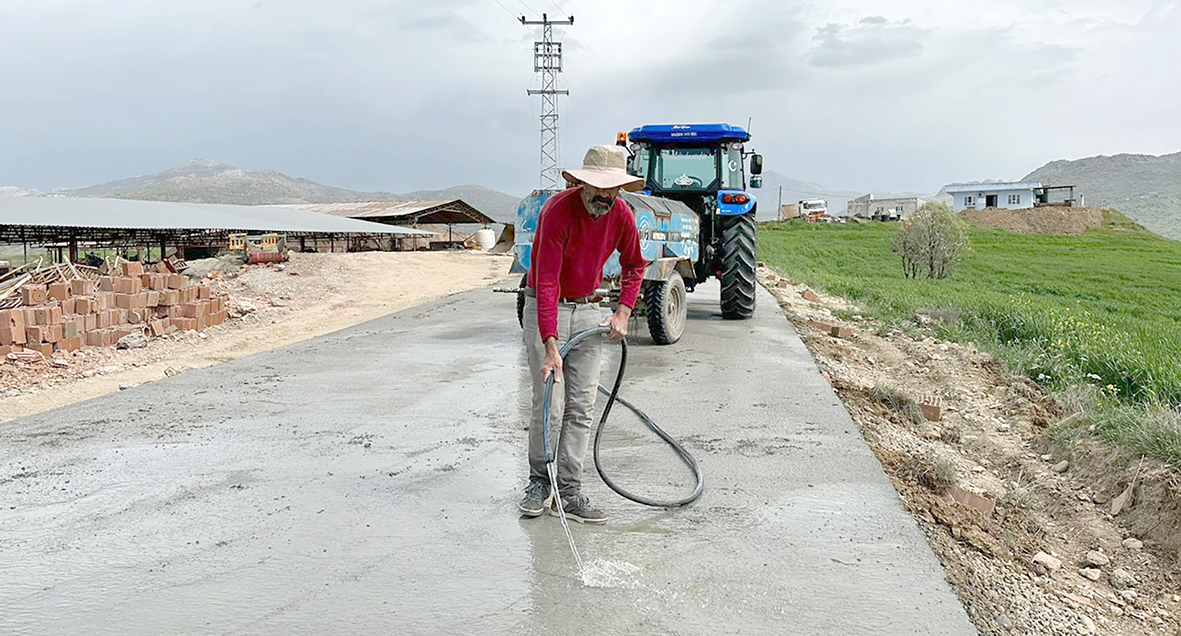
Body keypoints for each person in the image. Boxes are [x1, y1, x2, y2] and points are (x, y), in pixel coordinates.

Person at [518, 145, 646, 524]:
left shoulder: (621, 214)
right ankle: (539, 482)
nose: (605, 198)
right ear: (580, 183)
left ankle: (570, 491)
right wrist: (550, 345)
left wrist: (623, 311)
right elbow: (545, 281)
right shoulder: (557, 211)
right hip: (547, 303)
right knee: (549, 403)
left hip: (590, 308)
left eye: (612, 191)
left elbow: (635, 265)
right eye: (597, 189)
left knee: (581, 406)